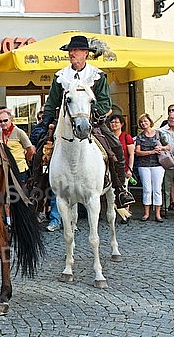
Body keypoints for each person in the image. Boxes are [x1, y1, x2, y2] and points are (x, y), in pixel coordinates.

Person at [40, 35, 135, 209]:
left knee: (115, 149)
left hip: (93, 122)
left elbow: (105, 101)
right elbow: (52, 101)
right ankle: (37, 191)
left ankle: (120, 189)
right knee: (40, 150)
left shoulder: (97, 75)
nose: (72, 53)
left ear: (86, 53)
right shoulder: (61, 76)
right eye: (70, 50)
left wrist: (93, 116)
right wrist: (46, 120)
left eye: (76, 50)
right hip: (65, 124)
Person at [135, 114, 170, 222]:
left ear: (150, 122)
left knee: (157, 189)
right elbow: (138, 152)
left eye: (145, 121)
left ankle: (158, 214)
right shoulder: (140, 136)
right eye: (141, 122)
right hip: (144, 165)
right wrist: (151, 152)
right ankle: (146, 213)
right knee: (146, 189)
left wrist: (161, 147)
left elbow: (168, 147)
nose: (143, 123)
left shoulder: (159, 133)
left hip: (158, 165)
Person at [0, 109, 35, 185]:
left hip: (20, 169)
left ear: (11, 120)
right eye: (0, 121)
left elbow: (31, 150)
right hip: (5, 169)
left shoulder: (19, 132)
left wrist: (25, 160)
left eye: (5, 120)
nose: (3, 123)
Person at [109, 114, 135, 224]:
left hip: (123, 169)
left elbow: (131, 154)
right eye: (112, 122)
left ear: (122, 124)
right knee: (110, 193)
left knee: (123, 191)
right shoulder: (107, 137)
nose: (114, 124)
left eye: (116, 122)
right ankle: (113, 214)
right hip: (110, 169)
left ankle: (125, 214)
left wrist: (130, 169)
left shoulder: (126, 137)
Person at [159, 110, 174, 217]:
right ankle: (165, 207)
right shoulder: (161, 131)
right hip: (169, 162)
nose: (172, 120)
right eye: (170, 118)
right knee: (166, 186)